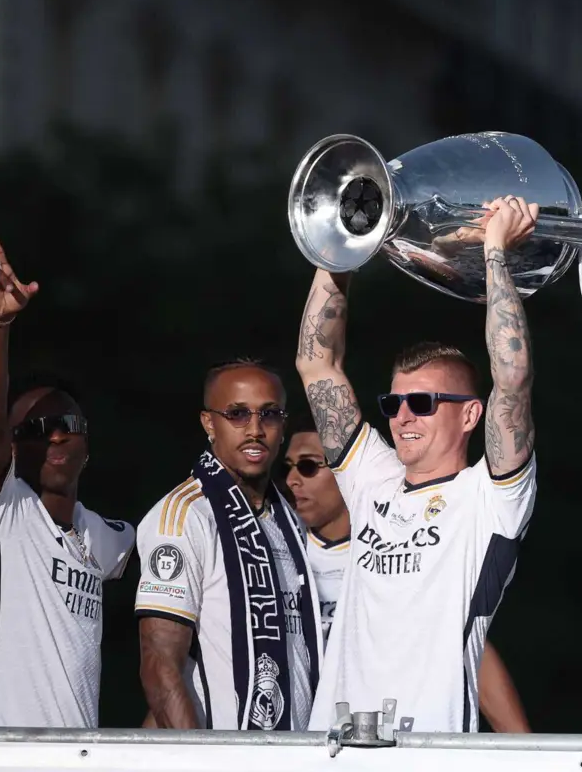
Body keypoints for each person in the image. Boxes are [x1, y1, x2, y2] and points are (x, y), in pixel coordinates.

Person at [296, 196, 540, 733]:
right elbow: (317, 364)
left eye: (424, 403)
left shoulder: (490, 499)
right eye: (394, 403)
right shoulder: (372, 478)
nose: (403, 416)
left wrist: (495, 252)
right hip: (331, 751)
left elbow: (513, 379)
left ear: (471, 415)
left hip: (431, 753)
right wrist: (339, 247)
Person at [0, 231, 135, 728]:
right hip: (0, 756)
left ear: (87, 444)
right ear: (12, 448)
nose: (56, 437)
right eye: (36, 429)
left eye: (68, 425)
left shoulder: (107, 538)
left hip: (79, 757)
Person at [284, 417, 531, 733]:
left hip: (370, 740)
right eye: (287, 468)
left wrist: (527, 748)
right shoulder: (278, 550)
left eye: (308, 466)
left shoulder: (399, 557)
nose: (292, 479)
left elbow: (464, 651)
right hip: (289, 745)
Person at [134, 359, 323, 730]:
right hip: (226, 757)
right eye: (237, 414)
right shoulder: (184, 516)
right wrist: (197, 761)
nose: (255, 429)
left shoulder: (289, 519)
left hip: (299, 753)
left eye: (269, 414)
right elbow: (160, 664)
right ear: (209, 423)